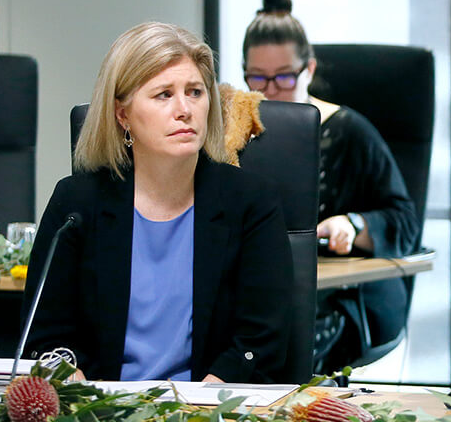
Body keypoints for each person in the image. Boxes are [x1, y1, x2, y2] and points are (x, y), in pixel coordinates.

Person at [24, 22, 292, 383]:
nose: (184, 109)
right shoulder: (76, 204)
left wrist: (200, 408)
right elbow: (44, 335)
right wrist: (74, 384)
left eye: (195, 92)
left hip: (210, 417)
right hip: (100, 419)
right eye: (164, 95)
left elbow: (264, 338)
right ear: (122, 114)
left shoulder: (251, 202)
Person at [242, 0, 419, 371]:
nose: (269, 90)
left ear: (309, 69)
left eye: (284, 77)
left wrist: (355, 225)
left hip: (343, 295)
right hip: (263, 291)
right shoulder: (236, 134)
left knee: (285, 346)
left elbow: (405, 222)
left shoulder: (349, 131)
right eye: (256, 78)